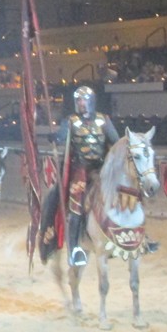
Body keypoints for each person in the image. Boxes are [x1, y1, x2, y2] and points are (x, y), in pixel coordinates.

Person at [48, 86, 119, 267]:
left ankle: (132, 236)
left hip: (101, 168)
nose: (81, 103)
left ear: (91, 101)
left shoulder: (104, 120)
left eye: (84, 100)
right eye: (78, 100)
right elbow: (62, 137)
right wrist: (55, 137)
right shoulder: (70, 121)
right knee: (76, 206)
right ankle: (75, 250)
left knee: (125, 191)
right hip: (80, 169)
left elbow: (116, 142)